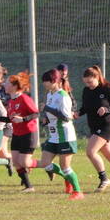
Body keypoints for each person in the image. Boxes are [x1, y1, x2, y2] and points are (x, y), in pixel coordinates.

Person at [29, 69, 84, 200]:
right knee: (45, 163)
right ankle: (67, 178)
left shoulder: (63, 96)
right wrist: (46, 120)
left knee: (65, 166)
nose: (44, 84)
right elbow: (53, 114)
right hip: (53, 136)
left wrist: (47, 109)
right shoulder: (50, 95)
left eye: (46, 81)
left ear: (54, 81)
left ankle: (78, 192)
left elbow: (66, 117)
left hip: (65, 135)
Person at [76, 65, 110, 192]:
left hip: (107, 126)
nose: (88, 85)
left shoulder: (108, 89)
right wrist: (78, 113)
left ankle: (104, 179)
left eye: (90, 82)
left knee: (90, 151)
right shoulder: (86, 91)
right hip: (95, 126)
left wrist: (107, 109)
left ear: (97, 77)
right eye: (86, 82)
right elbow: (85, 107)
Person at [0, 72, 39, 192]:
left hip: (28, 134)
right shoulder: (11, 101)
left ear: (14, 86)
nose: (4, 84)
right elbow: (10, 119)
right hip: (17, 134)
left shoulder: (24, 98)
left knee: (24, 162)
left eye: (7, 83)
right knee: (16, 162)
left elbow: (36, 114)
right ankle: (29, 186)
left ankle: (48, 166)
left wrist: (24, 119)